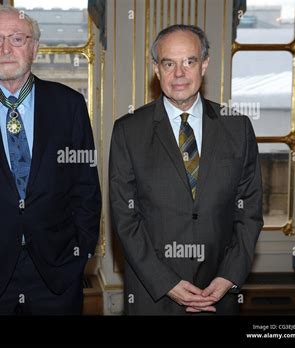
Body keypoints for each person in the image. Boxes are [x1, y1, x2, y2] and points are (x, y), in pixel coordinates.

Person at [0, 5, 101, 315]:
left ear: (35, 47)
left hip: (56, 272)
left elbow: (86, 190)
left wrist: (79, 255)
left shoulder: (69, 106)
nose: (6, 49)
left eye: (16, 38)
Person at [109, 24, 263, 315]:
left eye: (189, 61)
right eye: (169, 63)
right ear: (156, 69)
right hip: (153, 294)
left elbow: (250, 212)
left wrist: (229, 276)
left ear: (204, 64)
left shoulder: (238, 127)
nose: (179, 74)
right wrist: (166, 282)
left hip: (218, 292)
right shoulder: (128, 130)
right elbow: (125, 219)